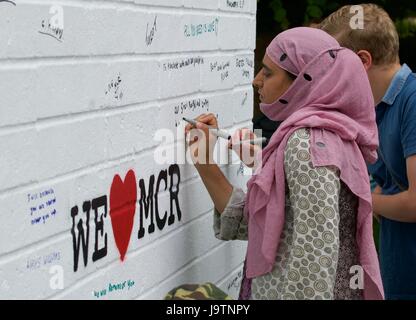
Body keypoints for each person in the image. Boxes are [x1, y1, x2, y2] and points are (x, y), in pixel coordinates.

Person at [185, 27, 384, 300]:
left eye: (268, 72)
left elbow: (314, 259)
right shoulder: (327, 134)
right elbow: (272, 228)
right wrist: (205, 164)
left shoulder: (308, 143)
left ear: (302, 81)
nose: (256, 81)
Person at [320, 3, 416, 300]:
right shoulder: (375, 107)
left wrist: (360, 200)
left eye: (332, 66)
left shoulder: (412, 101)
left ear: (363, 61)